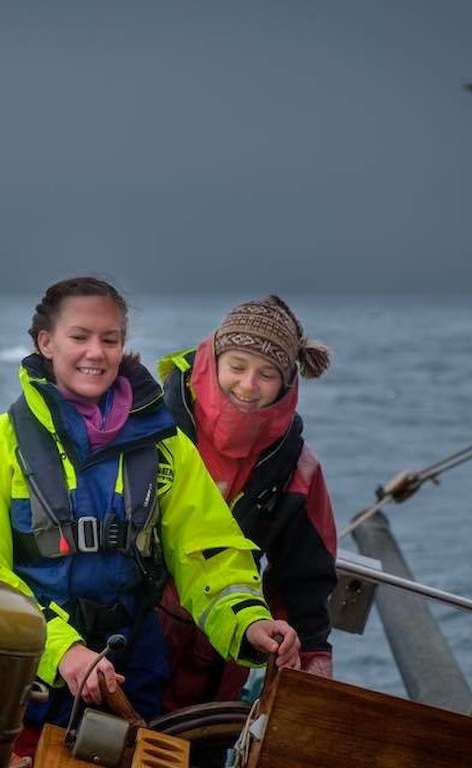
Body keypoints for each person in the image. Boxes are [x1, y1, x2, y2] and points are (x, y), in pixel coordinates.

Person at [0, 276, 301, 759]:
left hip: (131, 673)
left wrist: (248, 622)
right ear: (46, 342)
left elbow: (209, 555)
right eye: (79, 336)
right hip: (26, 679)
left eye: (110, 339)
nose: (96, 353)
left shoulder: (166, 447)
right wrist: (63, 653)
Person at [155, 295, 338, 726]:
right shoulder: (147, 424)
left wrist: (309, 659)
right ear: (212, 358)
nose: (248, 385)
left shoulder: (297, 468)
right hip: (127, 633)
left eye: (267, 373)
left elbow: (305, 578)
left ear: (288, 381)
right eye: (237, 366)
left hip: (221, 651)